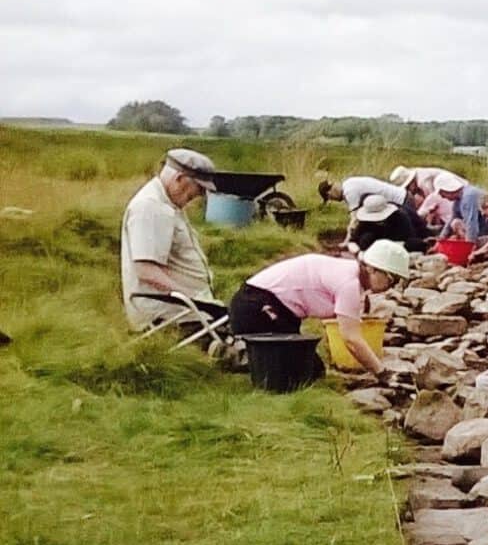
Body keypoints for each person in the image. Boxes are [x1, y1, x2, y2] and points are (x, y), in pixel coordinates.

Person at [228, 241, 415, 376]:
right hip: (257, 308)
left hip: (272, 308)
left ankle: (244, 355)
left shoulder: (349, 272)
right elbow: (351, 339)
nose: (392, 286)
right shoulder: (349, 283)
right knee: (298, 373)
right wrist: (381, 372)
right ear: (373, 269)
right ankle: (236, 356)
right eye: (393, 279)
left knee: (312, 370)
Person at [121, 147, 219, 330]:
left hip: (187, 312)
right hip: (170, 317)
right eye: (196, 190)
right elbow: (145, 269)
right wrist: (191, 299)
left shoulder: (169, 203)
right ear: (179, 179)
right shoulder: (151, 208)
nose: (198, 196)